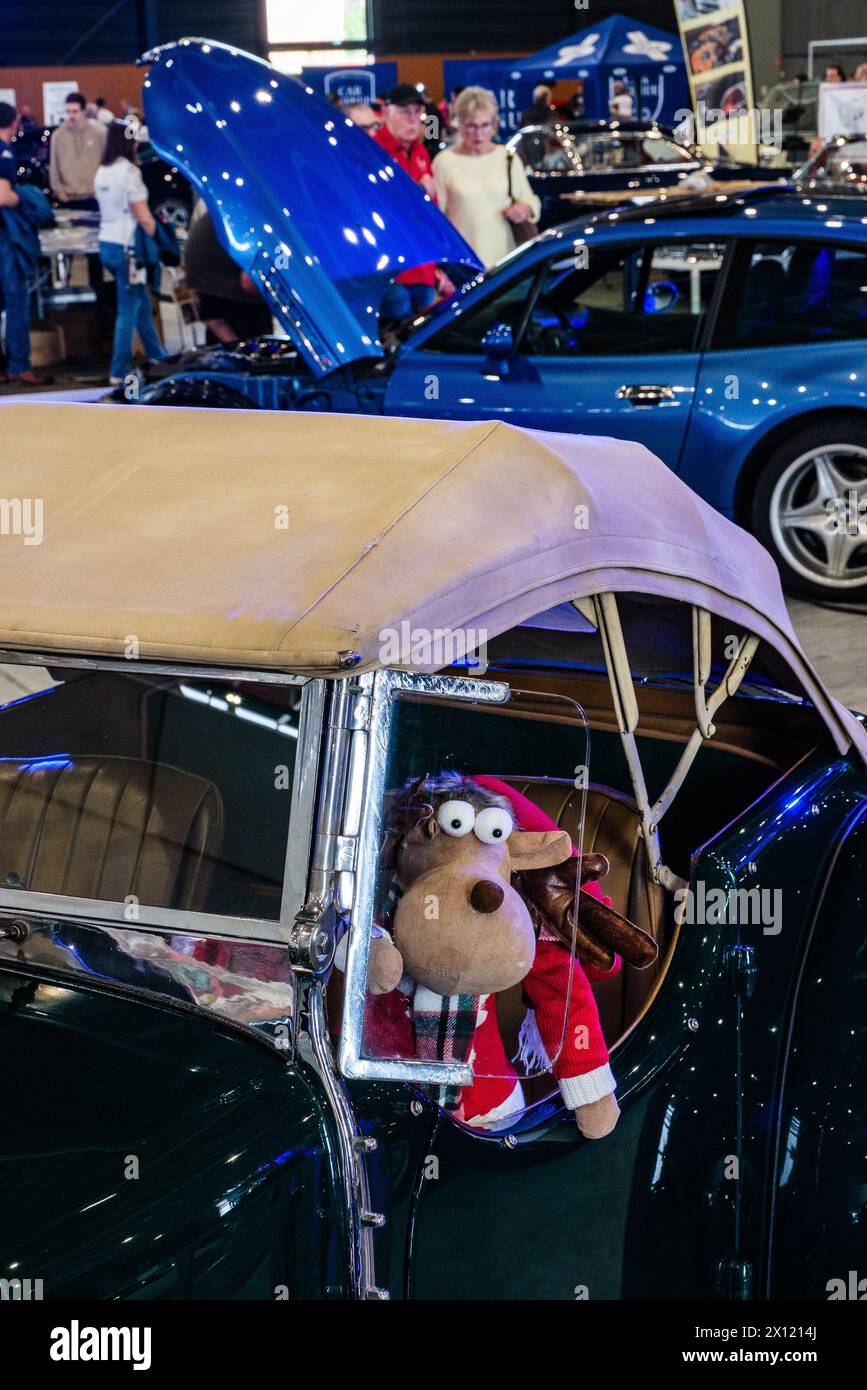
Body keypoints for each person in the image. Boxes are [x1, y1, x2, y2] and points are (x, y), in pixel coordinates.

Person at [433, 86, 540, 268]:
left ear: (494, 125)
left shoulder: (507, 158)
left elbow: (530, 198)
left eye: (484, 125)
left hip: (506, 262)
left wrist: (526, 208)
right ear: (458, 124)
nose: (478, 133)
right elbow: (437, 219)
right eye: (471, 126)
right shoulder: (443, 163)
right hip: (464, 265)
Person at [94, 120, 167, 385]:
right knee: (128, 309)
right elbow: (144, 216)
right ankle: (118, 370)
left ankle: (158, 358)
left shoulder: (102, 171)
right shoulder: (130, 173)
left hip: (107, 244)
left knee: (140, 304)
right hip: (128, 248)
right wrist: (162, 240)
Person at [374, 84, 442, 319]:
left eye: (417, 112)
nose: (413, 120)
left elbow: (432, 213)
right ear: (386, 113)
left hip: (423, 267)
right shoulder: (372, 152)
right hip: (391, 270)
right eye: (405, 112)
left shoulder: (421, 151)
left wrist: (438, 267)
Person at [0, 101, 51, 386]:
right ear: (15, 122)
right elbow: (2, 196)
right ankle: (20, 366)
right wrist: (27, 198)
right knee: (16, 298)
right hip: (5, 237)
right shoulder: (4, 152)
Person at [184, 201, 273, 345]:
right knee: (254, 342)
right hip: (224, 279)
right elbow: (249, 282)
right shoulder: (264, 219)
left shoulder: (248, 208)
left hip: (206, 273)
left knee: (220, 337)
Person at [49, 92, 106, 207]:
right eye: (68, 111)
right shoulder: (58, 135)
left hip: (94, 196)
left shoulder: (98, 132)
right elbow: (54, 165)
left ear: (84, 111)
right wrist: (59, 192)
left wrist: (103, 189)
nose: (71, 115)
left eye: (75, 111)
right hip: (69, 198)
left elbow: (106, 162)